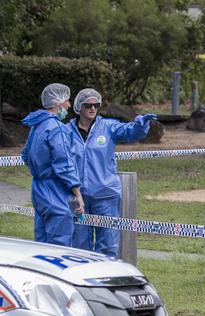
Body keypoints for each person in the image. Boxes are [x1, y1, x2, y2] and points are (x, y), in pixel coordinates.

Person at [65, 88, 156, 257]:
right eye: (88, 105)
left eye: (96, 105)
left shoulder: (108, 127)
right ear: (79, 107)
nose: (92, 108)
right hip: (76, 196)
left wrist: (140, 125)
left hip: (105, 195)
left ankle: (104, 278)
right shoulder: (66, 131)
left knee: (107, 244)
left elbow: (129, 132)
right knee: (78, 245)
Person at [21, 83, 85, 246]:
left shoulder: (37, 126)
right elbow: (64, 164)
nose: (69, 105)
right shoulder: (57, 128)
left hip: (39, 190)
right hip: (56, 193)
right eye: (67, 101)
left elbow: (25, 154)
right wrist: (77, 193)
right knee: (59, 246)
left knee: (41, 244)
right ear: (58, 103)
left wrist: (40, 169)